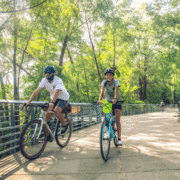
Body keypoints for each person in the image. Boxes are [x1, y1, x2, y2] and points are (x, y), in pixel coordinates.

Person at [23, 66, 70, 138]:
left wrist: (52, 103)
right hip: (53, 98)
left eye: (49, 73)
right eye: (46, 73)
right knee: (47, 114)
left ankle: (64, 125)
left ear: (53, 73)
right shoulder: (44, 80)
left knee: (56, 111)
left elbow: (56, 92)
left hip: (63, 97)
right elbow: (37, 91)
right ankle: (49, 132)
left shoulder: (58, 80)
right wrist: (28, 102)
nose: (47, 75)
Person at [97, 69, 122, 146]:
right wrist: (100, 99)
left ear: (112, 76)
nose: (108, 76)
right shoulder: (104, 82)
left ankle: (119, 139)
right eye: (107, 75)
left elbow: (116, 90)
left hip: (117, 100)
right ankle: (108, 126)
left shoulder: (116, 81)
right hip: (107, 100)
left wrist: (115, 99)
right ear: (105, 76)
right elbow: (102, 91)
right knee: (106, 115)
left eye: (110, 74)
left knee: (117, 119)